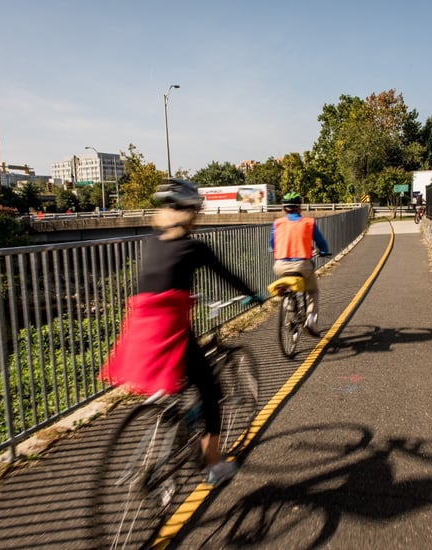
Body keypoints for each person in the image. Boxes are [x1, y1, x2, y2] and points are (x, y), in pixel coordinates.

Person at [99, 178, 260, 486]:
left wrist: (185, 297)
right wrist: (254, 294)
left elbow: (156, 284)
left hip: (139, 331)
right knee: (213, 392)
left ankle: (174, 424)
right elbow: (227, 275)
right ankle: (213, 463)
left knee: (181, 384)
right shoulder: (192, 246)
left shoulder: (152, 242)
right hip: (169, 333)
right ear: (191, 213)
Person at [269, 192, 330, 337]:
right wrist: (323, 251)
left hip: (280, 265)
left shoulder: (277, 224)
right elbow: (321, 243)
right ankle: (310, 318)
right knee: (312, 291)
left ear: (284, 208)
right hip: (302, 265)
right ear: (300, 207)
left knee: (289, 288)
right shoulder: (308, 222)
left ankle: (290, 314)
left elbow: (272, 245)